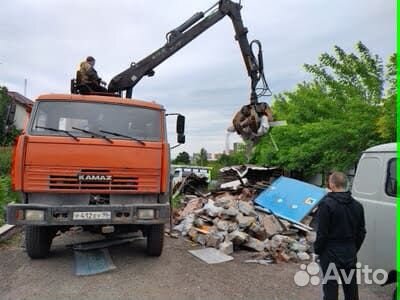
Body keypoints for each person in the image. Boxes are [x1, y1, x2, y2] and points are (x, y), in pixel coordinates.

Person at [314, 172, 366, 300]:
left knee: (330, 288)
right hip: (349, 250)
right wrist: (353, 248)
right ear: (346, 184)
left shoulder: (326, 205)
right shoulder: (358, 206)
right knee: (351, 289)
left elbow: (322, 233)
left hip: (330, 252)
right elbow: (362, 232)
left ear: (332, 184)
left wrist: (317, 251)